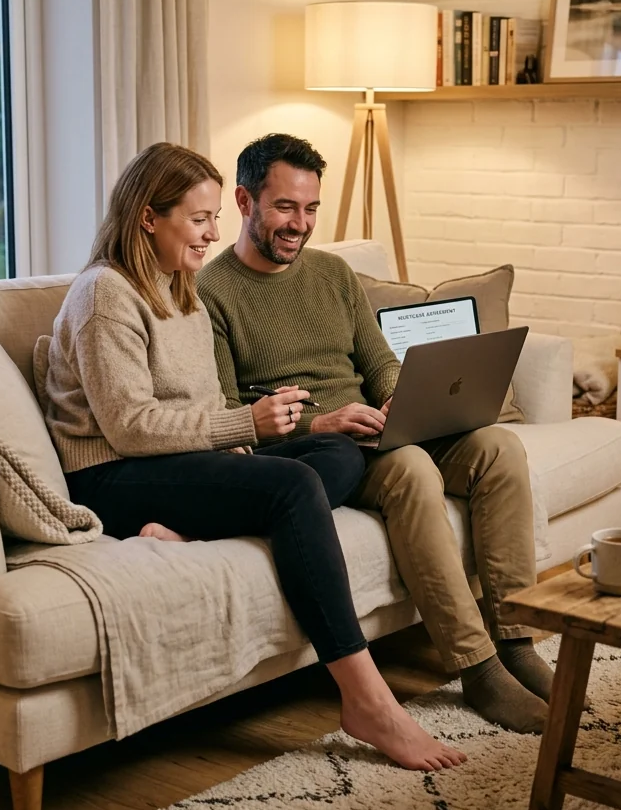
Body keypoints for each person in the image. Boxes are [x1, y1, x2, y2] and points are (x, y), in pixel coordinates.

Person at [42, 141, 464, 772]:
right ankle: (366, 699)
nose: (213, 234)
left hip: (170, 464)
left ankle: (185, 527)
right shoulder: (106, 294)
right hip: (111, 475)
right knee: (292, 487)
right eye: (199, 219)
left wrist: (235, 441)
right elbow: (128, 426)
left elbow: (201, 397)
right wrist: (241, 426)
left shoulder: (178, 286)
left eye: (215, 218)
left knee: (339, 453)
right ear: (147, 219)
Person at [197, 133, 553, 734]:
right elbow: (233, 413)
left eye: (311, 209)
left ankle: (516, 639)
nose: (300, 224)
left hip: (382, 422)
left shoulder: (334, 273)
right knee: (412, 470)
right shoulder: (212, 292)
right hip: (324, 449)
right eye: (285, 207)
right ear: (244, 200)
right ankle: (478, 665)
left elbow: (379, 359)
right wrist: (323, 422)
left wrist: (397, 393)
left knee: (500, 448)